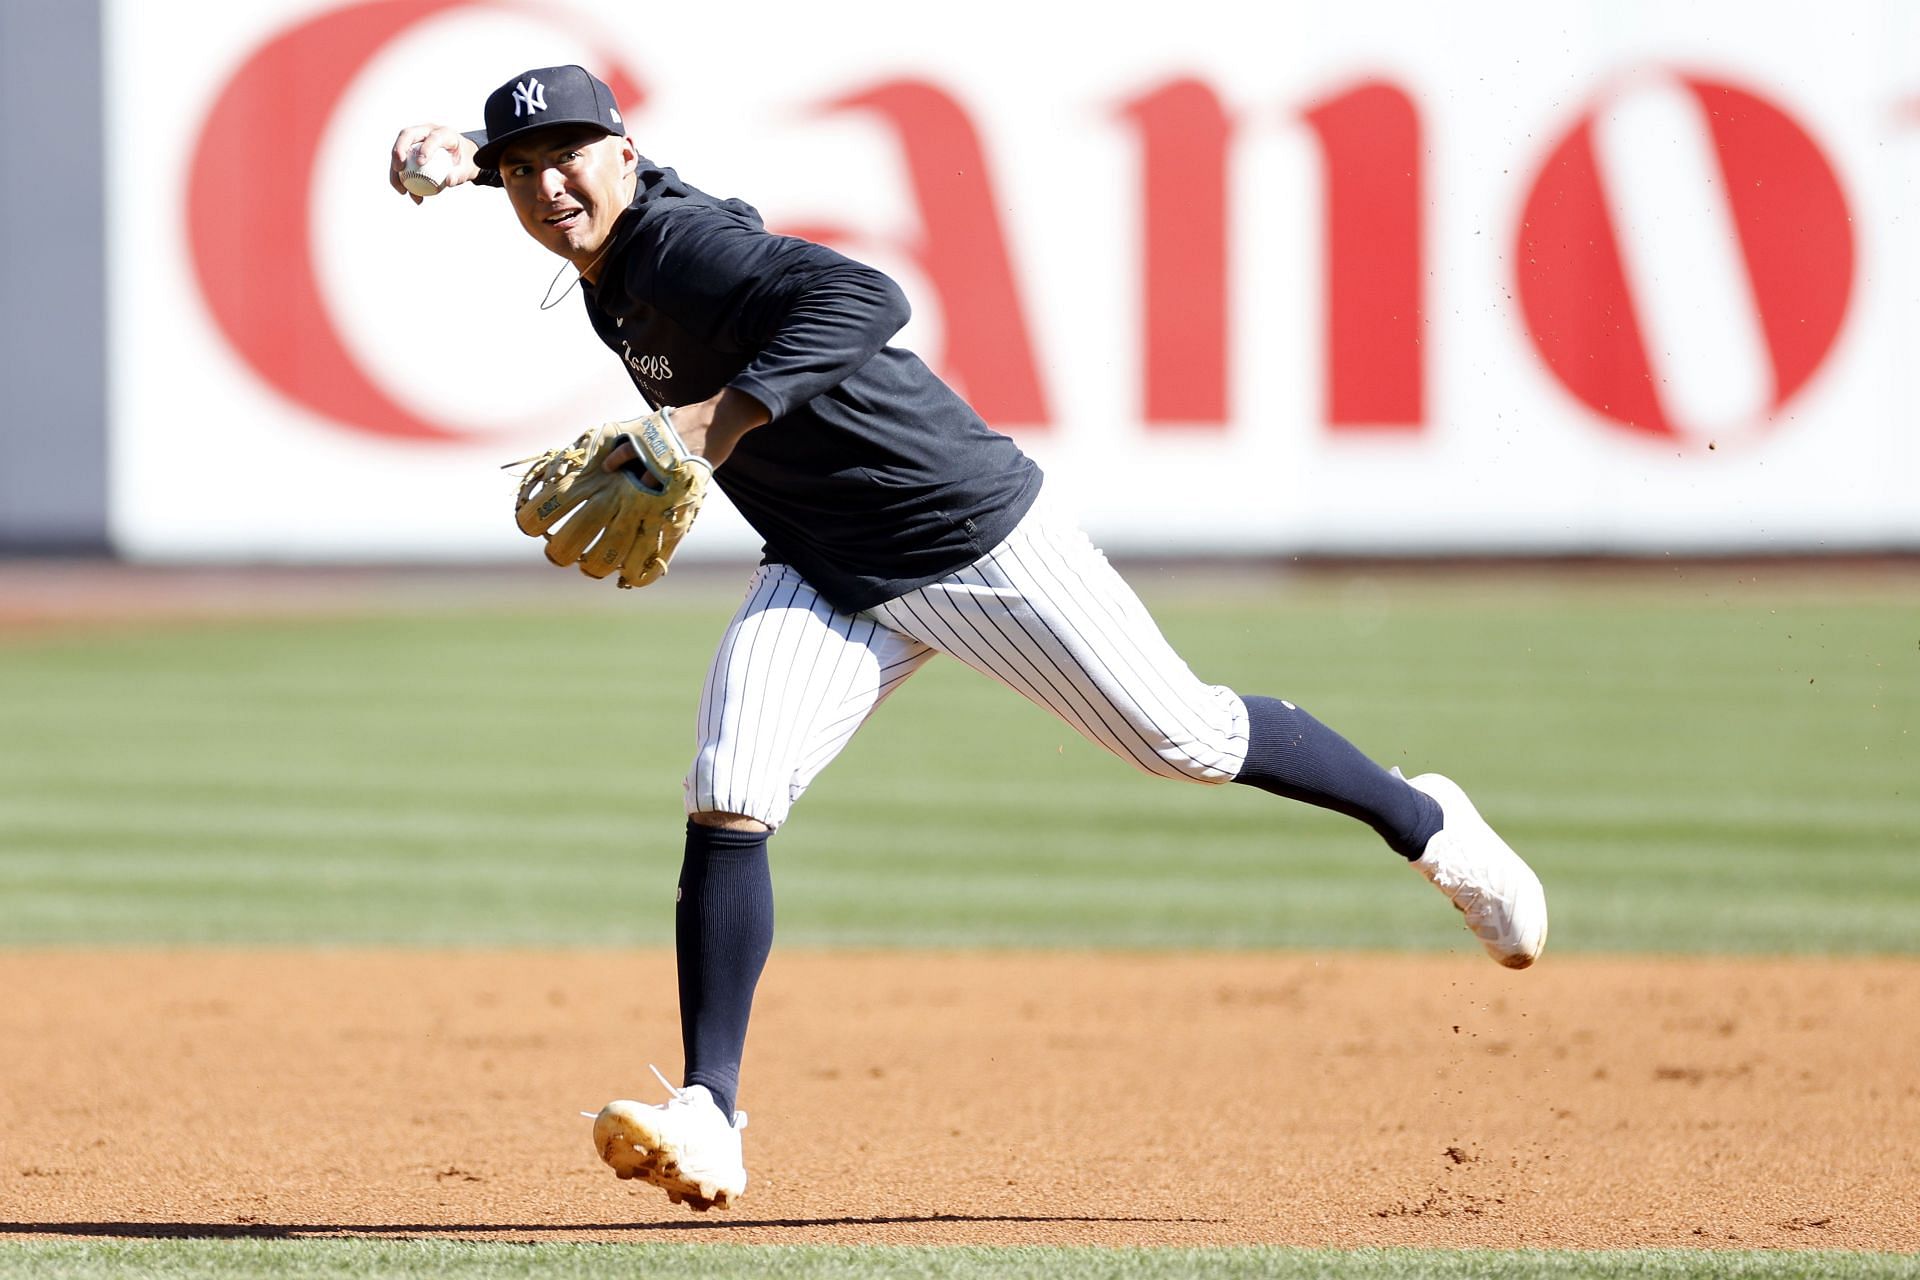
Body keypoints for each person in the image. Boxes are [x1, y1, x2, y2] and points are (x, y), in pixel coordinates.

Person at [389, 64, 1547, 1213]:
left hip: (969, 536)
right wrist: (463, 152)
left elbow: (866, 298)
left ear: (625, 153)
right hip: (825, 567)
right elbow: (556, 173)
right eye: (526, 172)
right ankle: (711, 1112)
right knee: (730, 784)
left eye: (573, 157)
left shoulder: (677, 247)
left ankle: (1430, 822)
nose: (550, 187)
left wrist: (707, 419)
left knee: (1182, 735)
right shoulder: (599, 247)